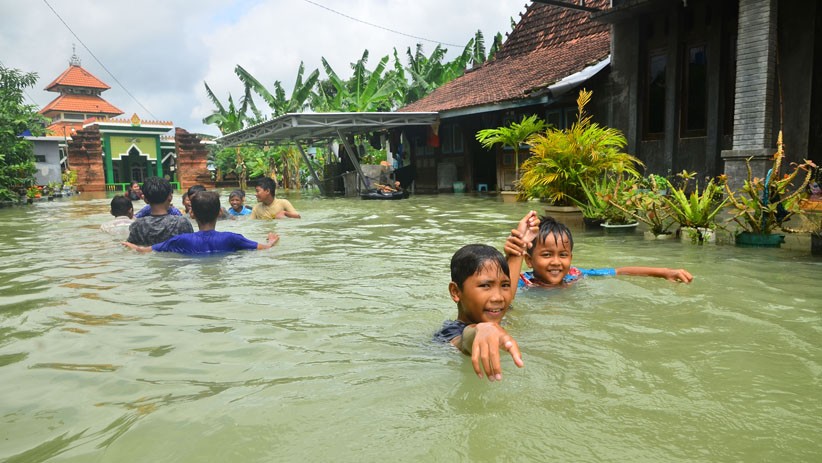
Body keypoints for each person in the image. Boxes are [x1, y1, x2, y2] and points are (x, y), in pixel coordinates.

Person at [504, 213, 694, 289]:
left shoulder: (574, 275)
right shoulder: (522, 283)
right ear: (529, 260)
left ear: (571, 257)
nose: (556, 262)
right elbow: (504, 292)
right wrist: (515, 253)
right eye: (546, 255)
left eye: (563, 255)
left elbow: (619, 271)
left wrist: (665, 273)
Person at [434, 244, 524, 381]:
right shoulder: (450, 333)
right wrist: (484, 329)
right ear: (456, 292)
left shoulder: (499, 312)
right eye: (485, 286)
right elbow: (465, 340)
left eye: (504, 285)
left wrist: (519, 248)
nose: (498, 297)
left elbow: (509, 293)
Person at [122, 191, 279, 254]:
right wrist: (271, 240)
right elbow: (265, 248)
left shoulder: (180, 240)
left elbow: (144, 250)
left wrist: (130, 245)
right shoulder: (232, 238)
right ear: (219, 212)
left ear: (193, 214)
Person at [126, 177, 193, 246]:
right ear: (170, 197)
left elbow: (131, 247)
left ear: (145, 200)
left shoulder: (137, 226)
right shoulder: (182, 223)